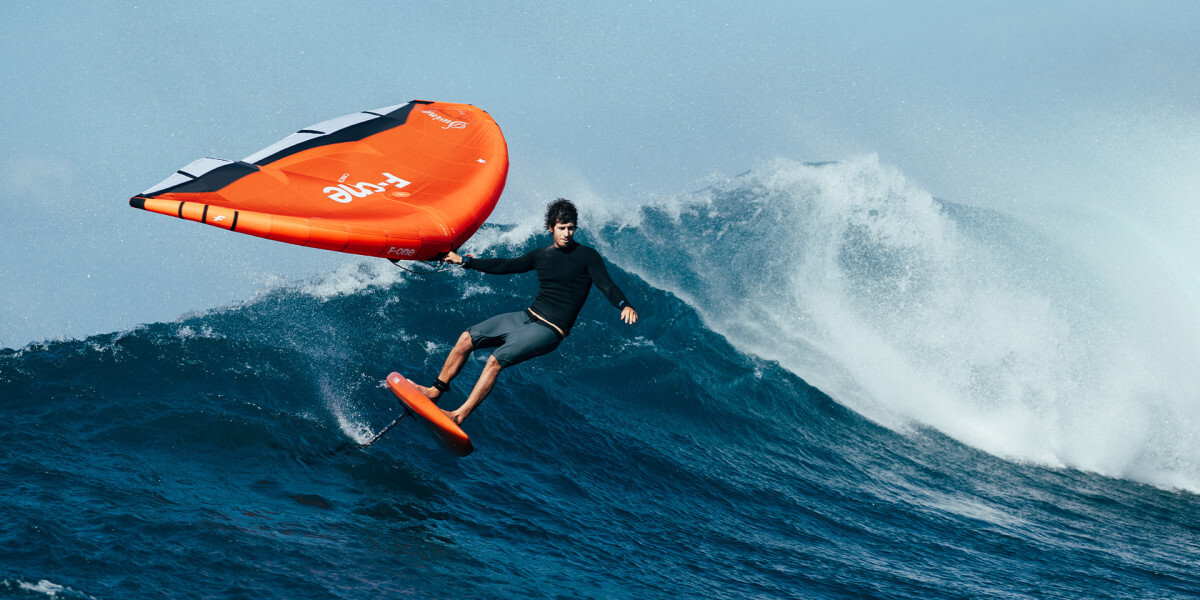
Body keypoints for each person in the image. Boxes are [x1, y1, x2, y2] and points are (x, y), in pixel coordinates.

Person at [414, 198, 638, 424]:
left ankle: (458, 415)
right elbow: (505, 266)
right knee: (466, 338)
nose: (567, 233)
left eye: (571, 228)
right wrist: (465, 261)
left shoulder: (588, 257)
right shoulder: (541, 255)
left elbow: (607, 285)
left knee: (494, 361)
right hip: (527, 317)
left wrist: (624, 304)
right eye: (562, 228)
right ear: (551, 227)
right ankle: (435, 391)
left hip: (550, 330)